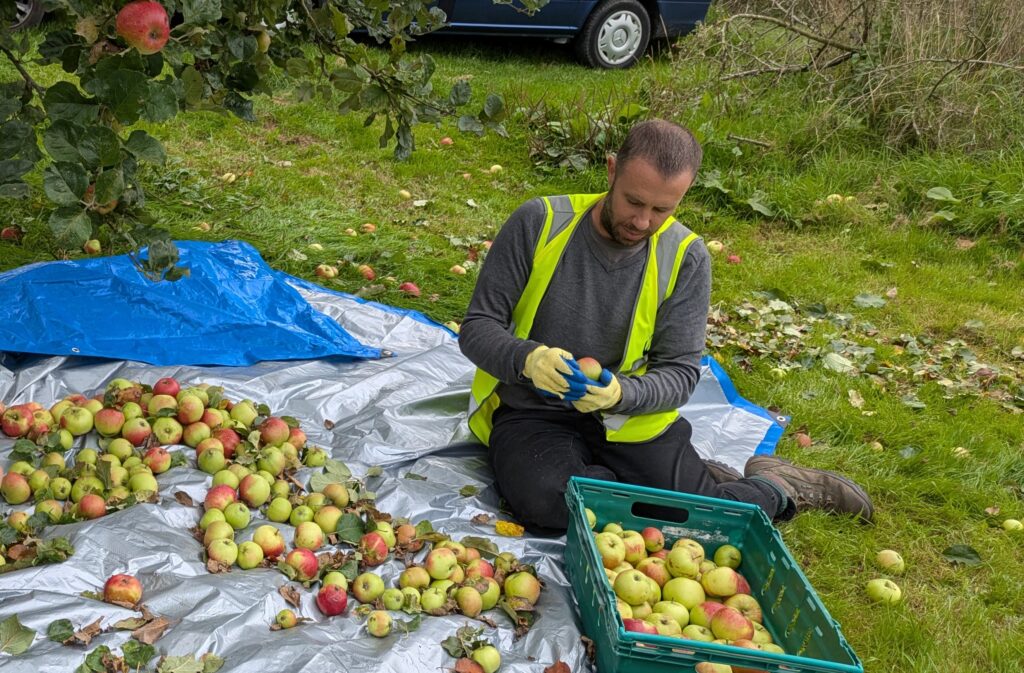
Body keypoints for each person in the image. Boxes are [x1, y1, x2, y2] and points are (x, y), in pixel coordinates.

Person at [458, 119, 872, 535]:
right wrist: (528, 360)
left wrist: (622, 393)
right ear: (611, 170)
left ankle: (778, 486)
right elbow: (478, 327)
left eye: (662, 209)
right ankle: (667, 484)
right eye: (633, 201)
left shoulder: (686, 257)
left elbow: (680, 373)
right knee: (556, 507)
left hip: (631, 418)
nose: (642, 221)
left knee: (703, 525)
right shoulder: (540, 222)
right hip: (534, 412)